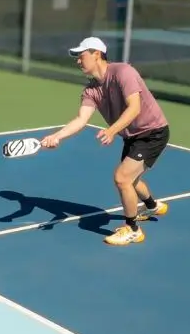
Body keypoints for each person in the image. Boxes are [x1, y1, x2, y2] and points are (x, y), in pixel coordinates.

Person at [40, 37, 170, 246]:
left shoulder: (123, 72)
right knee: (131, 180)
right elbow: (81, 120)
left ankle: (133, 229)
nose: (78, 61)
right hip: (132, 135)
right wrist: (57, 136)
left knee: (122, 178)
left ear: (96, 54)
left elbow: (134, 107)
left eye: (81, 56)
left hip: (152, 132)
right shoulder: (91, 90)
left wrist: (111, 130)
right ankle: (152, 206)